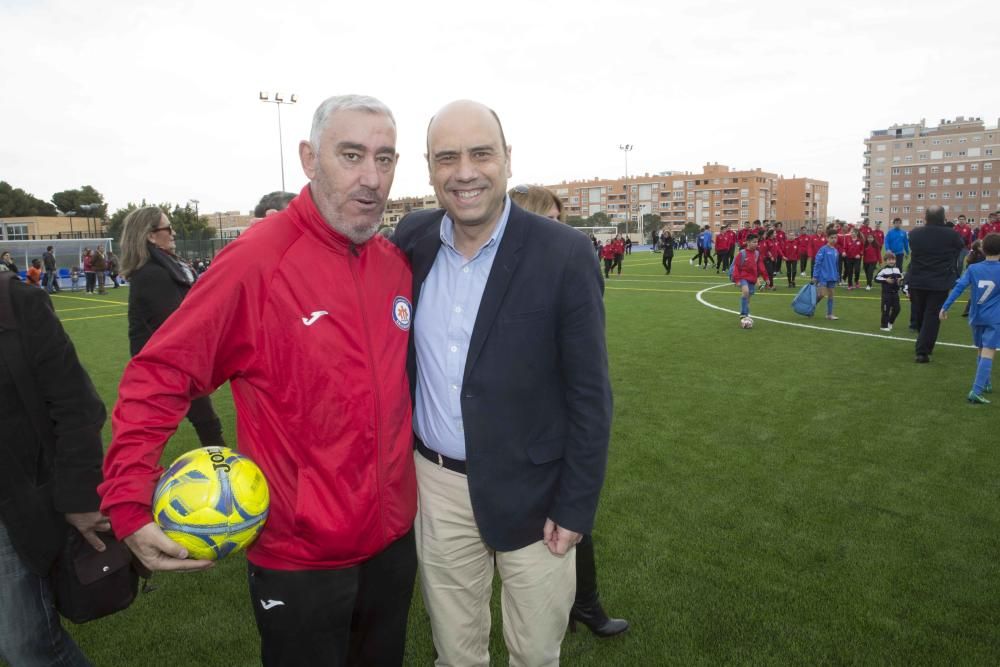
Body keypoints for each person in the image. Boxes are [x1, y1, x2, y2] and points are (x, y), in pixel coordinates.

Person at [99, 94, 418, 667]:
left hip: (392, 544)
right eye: (351, 155)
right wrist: (127, 500)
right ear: (308, 158)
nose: (372, 177)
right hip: (300, 559)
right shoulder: (259, 262)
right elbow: (159, 373)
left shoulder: (394, 265)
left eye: (385, 158)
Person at [393, 100, 613, 665]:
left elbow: (590, 396)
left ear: (507, 160)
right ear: (430, 168)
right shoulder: (411, 240)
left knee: (535, 654)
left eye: (480, 153)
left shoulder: (563, 252)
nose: (465, 172)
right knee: (454, 652)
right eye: (447, 158)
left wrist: (575, 505)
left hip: (536, 492)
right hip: (437, 487)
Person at [508, 184, 627, 638]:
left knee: (572, 520)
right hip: (506, 435)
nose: (560, 233)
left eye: (562, 221)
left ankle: (586, 604)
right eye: (550, 221)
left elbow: (588, 376)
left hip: (554, 427)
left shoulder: (566, 269)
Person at [0, 265, 108, 667]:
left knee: (26, 644)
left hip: (13, 507)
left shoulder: (16, 303)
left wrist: (81, 496)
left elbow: (77, 406)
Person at [118, 207, 226, 448]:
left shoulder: (166, 267)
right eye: (168, 227)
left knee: (206, 421)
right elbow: (177, 328)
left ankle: (221, 465)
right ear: (150, 235)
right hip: (162, 368)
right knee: (149, 434)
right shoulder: (153, 274)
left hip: (169, 366)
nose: (173, 232)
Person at [940, 233, 1000, 403]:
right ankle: (976, 390)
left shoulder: (973, 269)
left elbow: (958, 287)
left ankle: (986, 383)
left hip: (976, 315)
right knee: (989, 351)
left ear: (982, 249)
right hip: (994, 318)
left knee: (981, 348)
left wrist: (945, 306)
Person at [907, 206, 964, 363]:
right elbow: (960, 247)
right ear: (943, 217)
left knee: (920, 313)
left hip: (917, 279)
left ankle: (923, 343)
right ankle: (923, 350)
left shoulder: (914, 233)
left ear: (926, 217)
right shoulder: (951, 234)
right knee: (932, 315)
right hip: (939, 281)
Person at [730, 235, 768, 323]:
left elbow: (761, 266)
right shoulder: (742, 253)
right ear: (748, 242)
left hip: (752, 279)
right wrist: (737, 280)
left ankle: (746, 314)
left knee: (748, 298)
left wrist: (766, 278)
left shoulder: (757, 253)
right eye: (754, 242)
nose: (756, 244)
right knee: (746, 292)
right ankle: (743, 314)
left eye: (757, 242)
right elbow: (736, 267)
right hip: (743, 277)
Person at [812, 231, 840, 321]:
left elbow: (836, 265)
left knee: (831, 295)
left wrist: (837, 275)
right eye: (831, 237)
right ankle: (811, 307)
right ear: (827, 238)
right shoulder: (823, 249)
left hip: (832, 277)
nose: (833, 239)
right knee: (822, 294)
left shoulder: (836, 251)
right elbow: (817, 263)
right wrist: (815, 276)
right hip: (823, 276)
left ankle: (829, 314)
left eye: (835, 237)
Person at [875, 252, 903, 331]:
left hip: (895, 293)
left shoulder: (897, 269)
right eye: (889, 260)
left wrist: (900, 280)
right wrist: (885, 280)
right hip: (886, 294)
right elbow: (876, 278)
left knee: (897, 309)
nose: (891, 261)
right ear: (886, 261)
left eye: (893, 259)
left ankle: (890, 322)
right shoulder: (883, 270)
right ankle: (883, 326)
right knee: (885, 310)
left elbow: (900, 278)